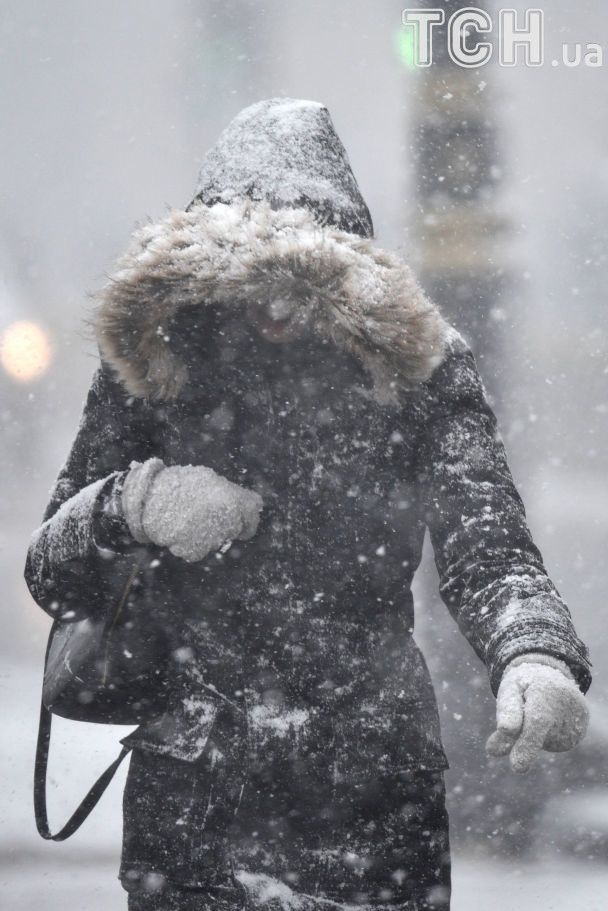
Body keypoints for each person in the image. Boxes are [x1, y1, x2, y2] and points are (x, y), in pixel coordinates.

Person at [25, 99, 591, 911]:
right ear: (212, 270)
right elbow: (53, 569)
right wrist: (138, 503)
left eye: (303, 281)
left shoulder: (418, 367)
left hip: (371, 807)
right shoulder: (154, 364)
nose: (276, 308)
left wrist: (534, 654)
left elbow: (490, 545)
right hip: (194, 819)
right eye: (254, 279)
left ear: (345, 271)